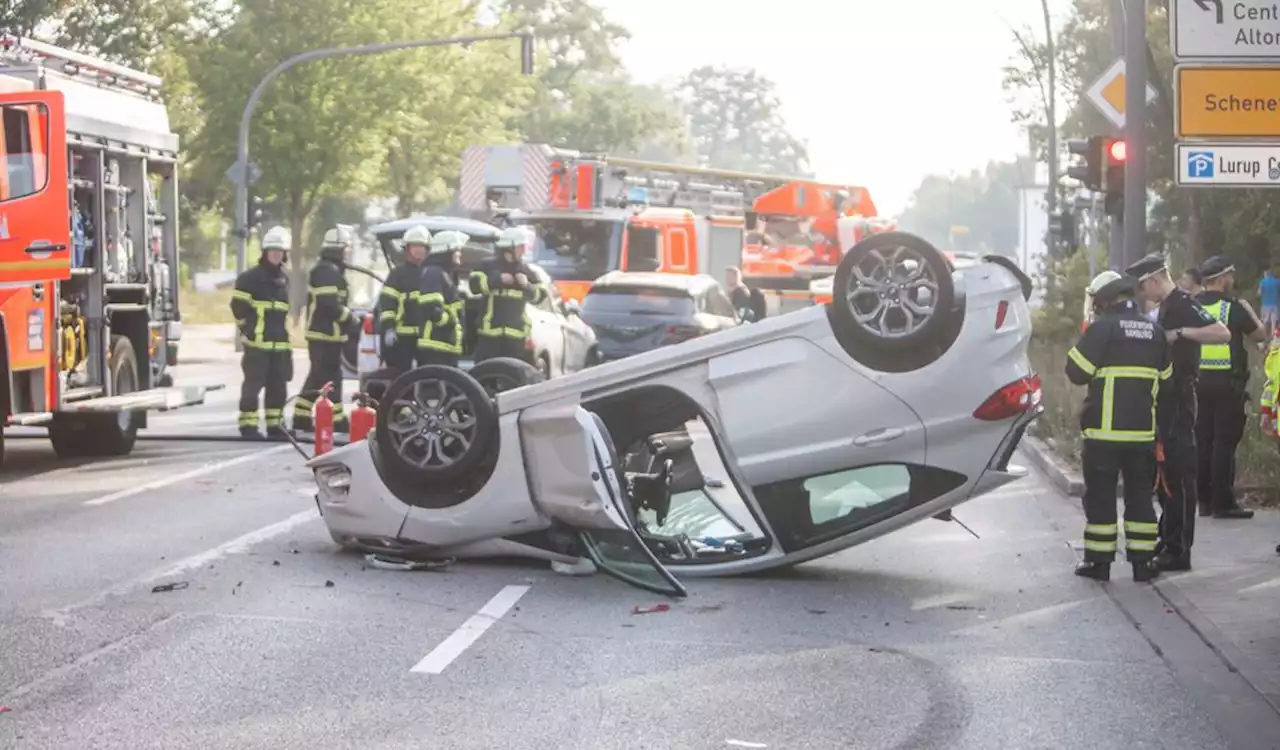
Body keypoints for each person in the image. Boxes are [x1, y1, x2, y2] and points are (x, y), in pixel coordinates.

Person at [1126, 253, 1231, 572]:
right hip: (1165, 402)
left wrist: (1182, 333)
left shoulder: (1183, 303)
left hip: (1181, 401)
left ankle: (1178, 549)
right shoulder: (1163, 307)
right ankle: (1168, 538)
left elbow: (1221, 333)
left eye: (1144, 287)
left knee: (1179, 476)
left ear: (1155, 279)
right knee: (1165, 477)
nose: (1144, 295)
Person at [1065, 271, 1168, 583]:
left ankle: (1099, 563)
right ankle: (1143, 563)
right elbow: (1166, 377)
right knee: (1140, 497)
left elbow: (1076, 372)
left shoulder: (1103, 329)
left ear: (1105, 300)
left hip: (1104, 435)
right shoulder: (1154, 329)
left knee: (1101, 498)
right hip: (1142, 434)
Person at [1195, 256, 1265, 520]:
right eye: (1230, 276)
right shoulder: (1233, 307)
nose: (1232, 281)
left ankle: (1204, 501)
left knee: (1203, 441)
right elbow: (1259, 335)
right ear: (1222, 279)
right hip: (1227, 383)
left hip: (1198, 382)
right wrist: (1250, 310)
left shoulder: (1193, 305)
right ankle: (1222, 502)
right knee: (1224, 443)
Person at [291, 228, 359, 434]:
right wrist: (351, 319)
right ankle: (337, 420)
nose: (348, 253)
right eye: (346, 249)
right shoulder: (327, 271)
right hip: (323, 335)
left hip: (328, 335)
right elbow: (329, 304)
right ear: (339, 249)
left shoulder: (330, 270)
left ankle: (301, 417)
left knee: (318, 377)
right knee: (331, 377)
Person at [230, 226, 293, 441]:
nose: (276, 255)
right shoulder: (250, 278)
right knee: (252, 387)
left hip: (279, 345)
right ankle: (248, 426)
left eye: (280, 252)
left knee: (278, 388)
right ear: (265, 252)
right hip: (257, 344)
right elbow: (237, 307)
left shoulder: (284, 279)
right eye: (272, 251)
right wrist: (246, 330)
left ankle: (276, 427)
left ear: (285, 254)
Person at [470, 227, 548, 363]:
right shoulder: (486, 265)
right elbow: (474, 286)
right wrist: (497, 280)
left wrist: (526, 286)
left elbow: (540, 296)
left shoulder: (526, 270)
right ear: (509, 248)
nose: (524, 250)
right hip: (490, 334)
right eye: (521, 247)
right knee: (486, 371)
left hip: (516, 336)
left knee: (514, 375)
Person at [375, 225, 430, 373]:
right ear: (407, 249)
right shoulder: (397, 274)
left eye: (422, 247)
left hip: (426, 337)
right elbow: (387, 303)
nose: (419, 250)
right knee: (399, 377)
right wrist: (388, 328)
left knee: (426, 375)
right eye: (415, 247)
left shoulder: (432, 274)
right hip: (401, 337)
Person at [412, 230, 467, 368]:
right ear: (447, 251)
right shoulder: (433, 272)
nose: (459, 253)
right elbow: (430, 308)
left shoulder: (443, 273)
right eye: (457, 250)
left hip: (444, 346)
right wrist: (450, 322)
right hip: (435, 347)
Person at [1258, 266, 1279, 342]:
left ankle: (1265, 337)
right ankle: (1273, 338)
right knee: (1274, 322)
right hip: (1275, 304)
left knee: (1265, 321)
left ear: (1266, 274)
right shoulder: (1277, 281)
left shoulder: (1263, 282)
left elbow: (1259, 293)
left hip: (1265, 304)